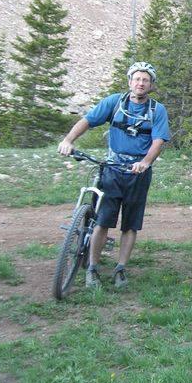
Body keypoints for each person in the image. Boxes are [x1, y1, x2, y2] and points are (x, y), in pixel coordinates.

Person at [58, 61, 171, 289]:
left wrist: (146, 162)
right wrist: (68, 140)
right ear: (130, 81)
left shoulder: (157, 110)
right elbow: (87, 121)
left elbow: (158, 141)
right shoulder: (115, 102)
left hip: (138, 173)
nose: (141, 83)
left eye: (145, 80)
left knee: (130, 224)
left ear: (150, 85)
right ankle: (92, 268)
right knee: (103, 220)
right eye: (137, 79)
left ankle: (120, 268)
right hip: (111, 169)